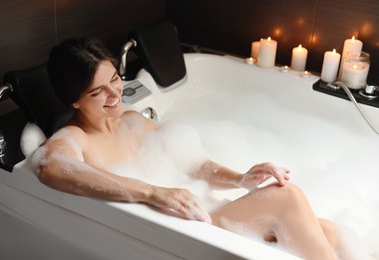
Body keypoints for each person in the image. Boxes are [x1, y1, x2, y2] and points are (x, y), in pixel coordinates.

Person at [36, 37, 343, 259]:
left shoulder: (132, 121)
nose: (115, 93)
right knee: (286, 198)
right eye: (97, 92)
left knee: (328, 232)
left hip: (197, 214)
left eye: (115, 79)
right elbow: (52, 168)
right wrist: (153, 192)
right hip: (172, 231)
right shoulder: (75, 137)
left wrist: (240, 178)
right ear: (74, 100)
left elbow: (195, 166)